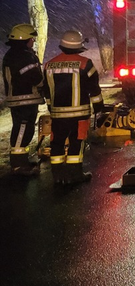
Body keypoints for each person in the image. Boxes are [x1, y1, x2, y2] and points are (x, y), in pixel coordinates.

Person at [42, 31, 104, 184]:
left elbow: (47, 91)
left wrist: (51, 107)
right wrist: (99, 109)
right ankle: (75, 175)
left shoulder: (49, 65)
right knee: (76, 142)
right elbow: (94, 90)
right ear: (79, 46)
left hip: (58, 115)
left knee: (57, 143)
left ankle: (57, 176)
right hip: (79, 114)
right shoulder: (85, 64)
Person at [2, 23, 44, 175]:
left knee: (24, 129)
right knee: (22, 129)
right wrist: (44, 85)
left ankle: (22, 161)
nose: (33, 41)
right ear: (24, 39)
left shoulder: (15, 54)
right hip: (23, 99)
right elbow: (35, 77)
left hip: (22, 99)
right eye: (31, 39)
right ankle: (19, 165)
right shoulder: (23, 56)